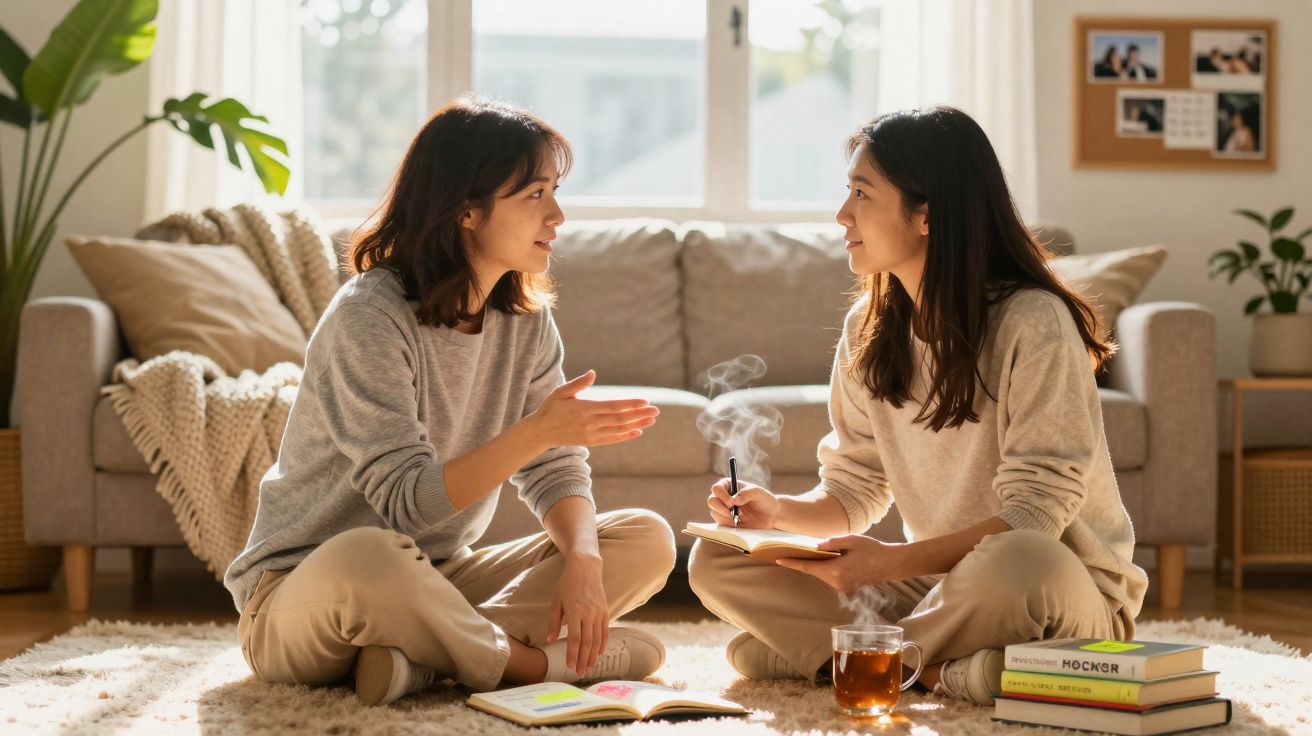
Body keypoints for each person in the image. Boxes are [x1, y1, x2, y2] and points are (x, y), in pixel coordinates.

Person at [224, 96, 677, 707]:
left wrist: (585, 561)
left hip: (440, 578)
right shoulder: (370, 320)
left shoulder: (524, 321)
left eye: (555, 191)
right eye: (535, 195)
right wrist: (536, 431)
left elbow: (555, 468)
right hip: (305, 593)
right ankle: (530, 665)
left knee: (643, 537)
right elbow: (407, 504)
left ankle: (422, 658)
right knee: (369, 554)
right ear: (467, 210)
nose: (558, 215)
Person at [687, 106, 1147, 707]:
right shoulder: (868, 328)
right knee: (716, 559)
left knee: (1020, 559)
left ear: (925, 214)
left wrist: (886, 564)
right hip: (937, 590)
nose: (842, 214)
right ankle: (942, 668)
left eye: (861, 194)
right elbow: (855, 491)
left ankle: (848, 657)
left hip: (1055, 588)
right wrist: (778, 516)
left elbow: (1037, 514)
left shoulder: (1033, 322)